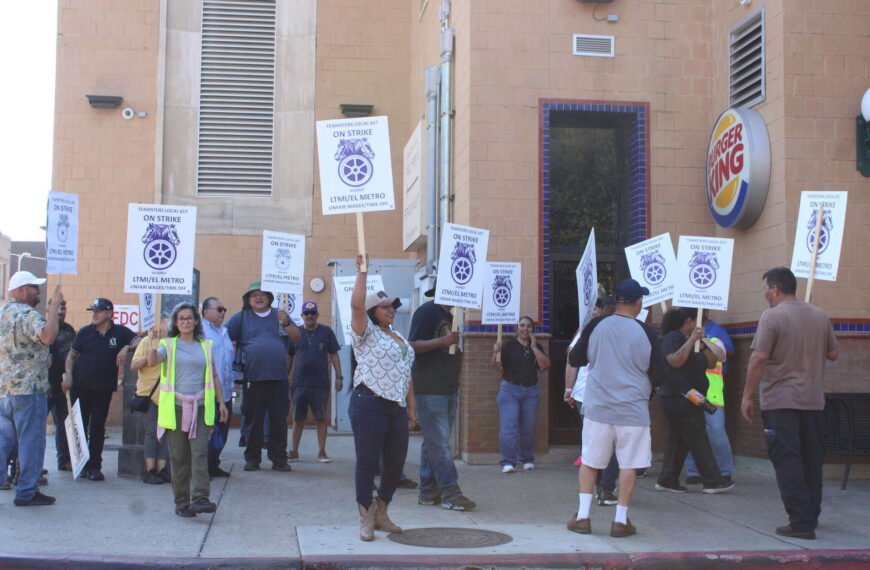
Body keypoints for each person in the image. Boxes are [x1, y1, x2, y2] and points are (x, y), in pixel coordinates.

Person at [741, 267, 838, 540]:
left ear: (774, 289)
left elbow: (759, 358)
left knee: (788, 461)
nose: (764, 294)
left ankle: (800, 522)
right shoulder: (820, 315)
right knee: (811, 460)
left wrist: (747, 395)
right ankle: (811, 515)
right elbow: (833, 353)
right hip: (813, 402)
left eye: (765, 288)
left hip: (780, 402)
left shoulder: (772, 317)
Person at [566, 279, 665, 538]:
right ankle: (620, 520)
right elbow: (660, 374)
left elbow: (575, 358)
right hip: (632, 409)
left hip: (598, 407)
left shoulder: (597, 325)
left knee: (590, 461)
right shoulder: (648, 332)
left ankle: (583, 516)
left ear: (615, 300)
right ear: (637, 302)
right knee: (629, 465)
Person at [348, 255, 416, 541]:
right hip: (370, 402)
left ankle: (382, 511)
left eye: (393, 307)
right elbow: (356, 305)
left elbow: (407, 374)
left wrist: (411, 409)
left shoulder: (398, 336)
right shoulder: (365, 334)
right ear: (374, 311)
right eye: (386, 307)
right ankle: (365, 517)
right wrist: (363, 272)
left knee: (396, 462)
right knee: (367, 461)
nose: (391, 310)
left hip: (396, 407)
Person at [147, 302, 229, 518]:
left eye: (189, 318)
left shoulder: (205, 345)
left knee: (200, 452)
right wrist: (152, 344)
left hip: (201, 409)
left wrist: (221, 402)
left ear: (196, 321)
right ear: (176, 322)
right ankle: (182, 502)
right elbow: (153, 361)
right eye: (181, 318)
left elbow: (214, 376)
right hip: (175, 409)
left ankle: (201, 498)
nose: (185, 322)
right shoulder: (168, 344)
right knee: (179, 457)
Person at [0, 272, 63, 506]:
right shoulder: (26, 314)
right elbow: (47, 336)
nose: (38, 291)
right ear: (22, 290)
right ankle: (26, 492)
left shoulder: (2, 313)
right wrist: (54, 309)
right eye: (34, 287)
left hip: (5, 390)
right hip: (28, 390)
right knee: (31, 441)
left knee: (3, 441)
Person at [409, 287, 474, 511]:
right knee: (439, 443)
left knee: (433, 442)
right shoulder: (427, 312)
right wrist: (443, 341)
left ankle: (428, 491)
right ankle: (450, 491)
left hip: (447, 386)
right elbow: (412, 346)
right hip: (429, 386)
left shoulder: (452, 316)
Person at [655, 307, 733, 495]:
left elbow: (713, 361)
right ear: (689, 321)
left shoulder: (697, 341)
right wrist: (691, 339)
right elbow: (675, 360)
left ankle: (668, 478)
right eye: (695, 322)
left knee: (679, 438)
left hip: (692, 395)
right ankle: (712, 480)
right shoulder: (674, 338)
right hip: (679, 396)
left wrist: (703, 339)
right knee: (698, 436)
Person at [226, 282, 299, 472]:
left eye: (262, 294)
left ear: (269, 297)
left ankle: (279, 459)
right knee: (253, 421)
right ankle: (252, 459)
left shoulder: (280, 315)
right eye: (254, 295)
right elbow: (224, 337)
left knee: (279, 421)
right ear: (248, 300)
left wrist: (287, 323)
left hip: (279, 378)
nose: (258, 298)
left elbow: (297, 337)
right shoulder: (240, 317)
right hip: (253, 378)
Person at [62, 298, 136, 481]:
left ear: (109, 313)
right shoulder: (85, 332)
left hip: (103, 388)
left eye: (98, 311)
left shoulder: (120, 332)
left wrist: (126, 347)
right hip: (81, 386)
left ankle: (95, 465)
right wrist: (69, 375)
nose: (94, 314)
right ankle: (81, 463)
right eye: (93, 311)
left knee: (97, 427)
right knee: (80, 425)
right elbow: (71, 356)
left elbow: (141, 341)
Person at [492, 316, 550, 473]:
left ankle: (527, 459)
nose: (525, 328)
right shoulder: (509, 345)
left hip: (530, 391)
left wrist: (534, 348)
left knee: (528, 428)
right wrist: (495, 353)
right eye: (522, 325)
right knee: (509, 427)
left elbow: (545, 365)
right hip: (510, 390)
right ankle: (508, 462)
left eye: (529, 326)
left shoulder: (536, 346)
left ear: (532, 329)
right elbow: (497, 367)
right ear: (517, 328)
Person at [288, 301, 342, 463]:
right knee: (298, 419)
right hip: (299, 383)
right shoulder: (295, 332)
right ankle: (294, 452)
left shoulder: (326, 332)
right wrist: (284, 378)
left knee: (321, 418)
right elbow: (289, 356)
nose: (310, 316)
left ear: (317, 315)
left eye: (313, 313)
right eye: (306, 313)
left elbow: (334, 355)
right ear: (302, 316)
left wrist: (339, 377)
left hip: (320, 383)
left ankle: (322, 452)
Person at [684, 335, 733, 485]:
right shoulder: (686, 342)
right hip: (694, 395)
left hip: (711, 397)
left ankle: (724, 471)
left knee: (716, 433)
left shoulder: (714, 340)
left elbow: (722, 356)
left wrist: (703, 339)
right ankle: (693, 472)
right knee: (694, 431)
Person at [130, 318, 170, 484]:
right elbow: (134, 366)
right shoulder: (147, 341)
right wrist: (150, 356)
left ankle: (162, 470)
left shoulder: (171, 343)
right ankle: (150, 470)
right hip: (150, 394)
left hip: (168, 394)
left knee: (165, 434)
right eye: (165, 321)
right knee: (151, 432)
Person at [201, 297, 235, 478]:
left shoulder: (224, 332)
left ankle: (214, 464)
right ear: (206, 312)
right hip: (208, 392)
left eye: (224, 309)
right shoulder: (201, 332)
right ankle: (203, 468)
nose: (222, 312)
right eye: (219, 309)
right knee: (208, 433)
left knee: (222, 431)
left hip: (225, 392)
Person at [48, 300, 75, 471]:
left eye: (63, 308)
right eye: (56, 308)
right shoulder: (45, 328)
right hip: (46, 386)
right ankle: (31, 466)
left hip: (64, 384)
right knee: (35, 429)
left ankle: (64, 460)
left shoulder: (69, 330)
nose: (60, 312)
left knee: (64, 423)